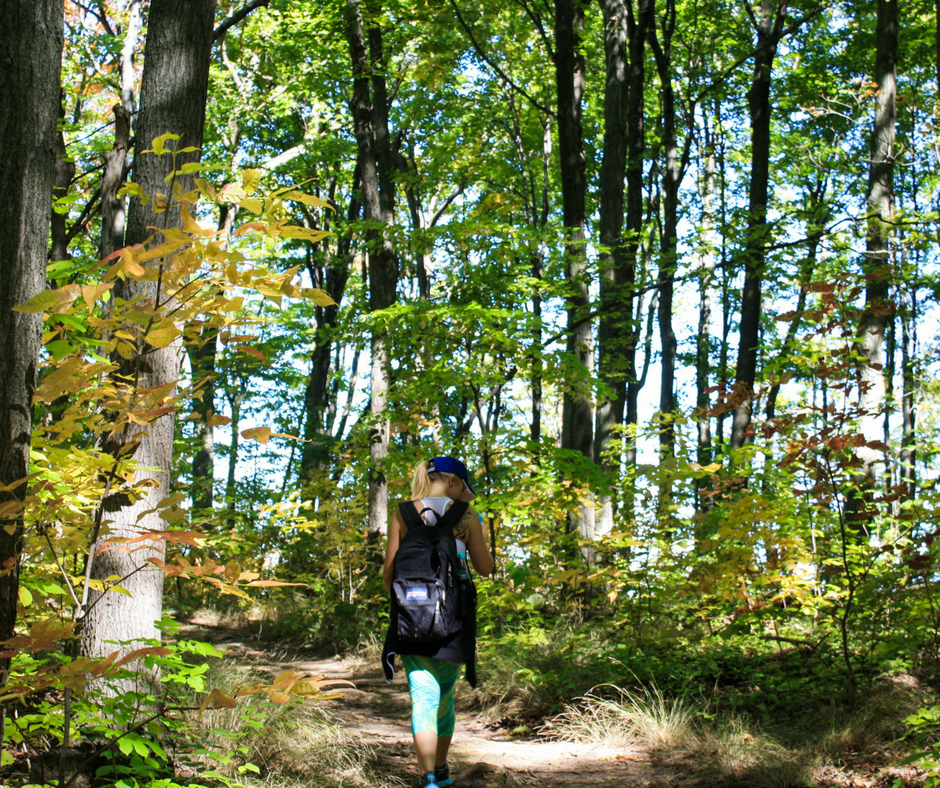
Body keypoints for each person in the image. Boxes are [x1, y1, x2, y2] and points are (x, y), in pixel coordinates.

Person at [382, 456, 494, 788]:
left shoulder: (402, 513)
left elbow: (388, 576)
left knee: (423, 697)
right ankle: (442, 771)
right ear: (454, 482)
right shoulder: (468, 516)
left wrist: (410, 604)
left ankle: (426, 776)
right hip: (454, 621)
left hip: (411, 620)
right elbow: (485, 568)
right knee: (444, 697)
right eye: (464, 489)